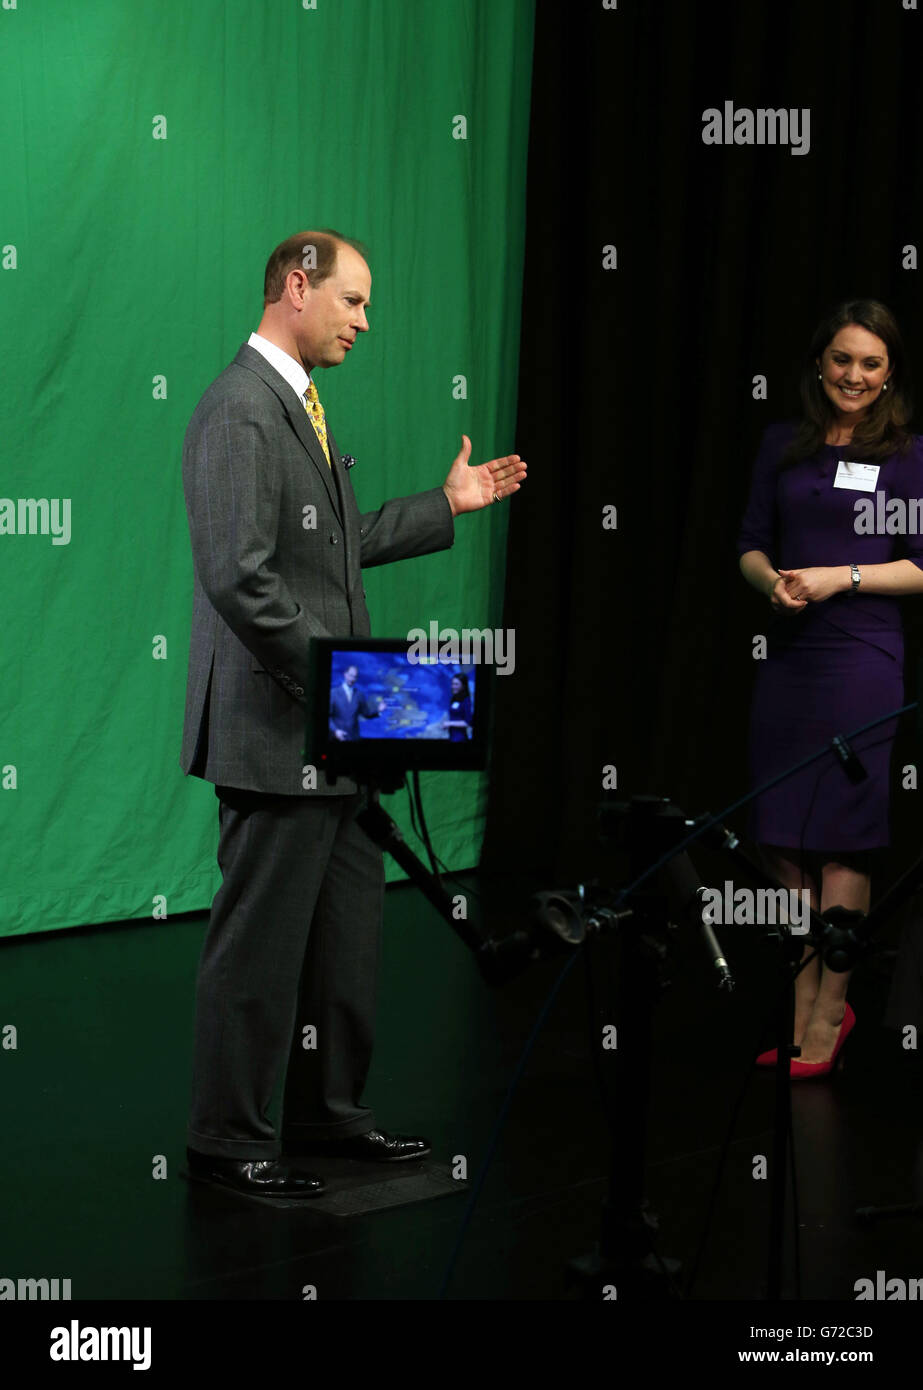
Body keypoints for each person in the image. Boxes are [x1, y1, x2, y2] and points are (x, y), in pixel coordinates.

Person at [180, 228, 526, 1196]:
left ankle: (325, 1119)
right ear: (297, 286)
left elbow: (331, 548)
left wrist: (443, 505)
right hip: (275, 727)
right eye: (354, 301)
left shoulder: (302, 407)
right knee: (259, 949)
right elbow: (239, 580)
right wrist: (343, 689)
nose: (365, 322)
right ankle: (227, 1137)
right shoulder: (240, 412)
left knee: (344, 945)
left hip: (331, 732)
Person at [737, 299, 923, 1078]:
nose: (854, 375)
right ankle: (798, 998)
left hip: (861, 663)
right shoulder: (783, 443)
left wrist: (838, 577)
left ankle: (827, 1011)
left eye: (871, 363)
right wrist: (769, 586)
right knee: (782, 840)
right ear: (820, 363)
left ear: (888, 375)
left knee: (842, 837)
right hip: (790, 661)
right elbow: (749, 543)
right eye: (842, 359)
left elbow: (918, 564)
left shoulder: (908, 453)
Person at [330, 663, 384, 741]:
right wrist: (335, 731)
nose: (352, 679)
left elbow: (366, 713)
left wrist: (378, 710)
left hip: (354, 738)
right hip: (336, 738)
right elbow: (328, 716)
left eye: (355, 677)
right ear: (345, 674)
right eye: (350, 675)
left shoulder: (359, 695)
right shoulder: (333, 693)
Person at [442, 673, 473, 741]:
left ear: (463, 686)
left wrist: (449, 723)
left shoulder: (466, 700)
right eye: (452, 684)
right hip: (452, 737)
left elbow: (467, 722)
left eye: (456, 684)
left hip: (460, 739)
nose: (453, 686)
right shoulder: (454, 699)